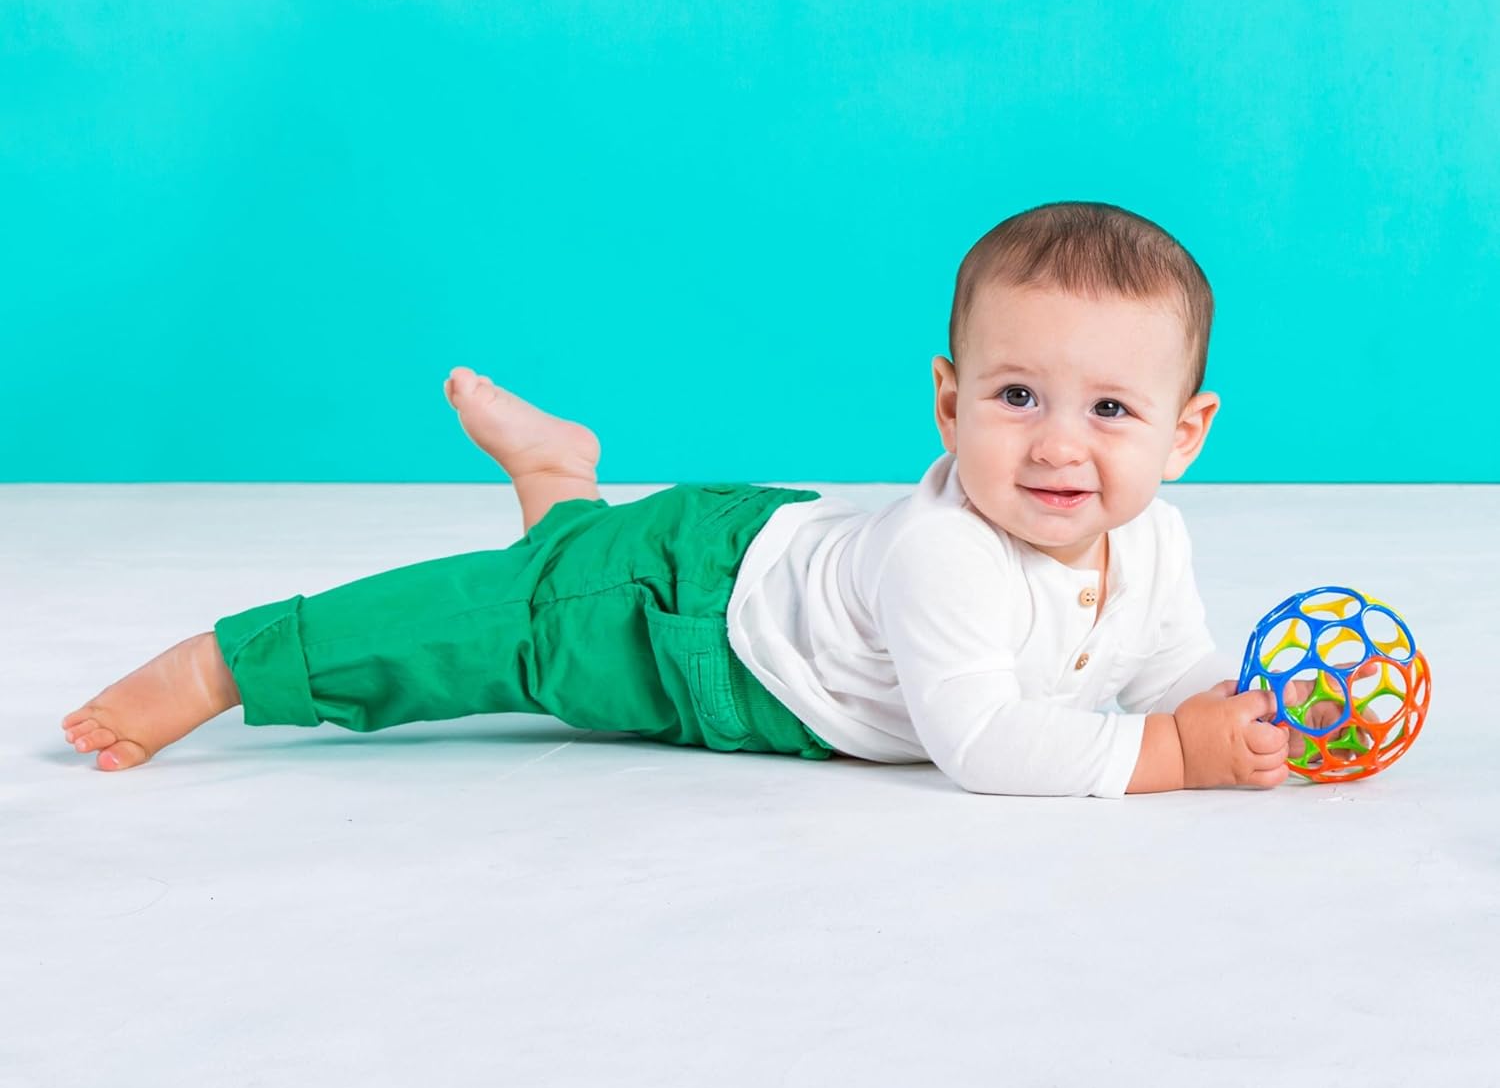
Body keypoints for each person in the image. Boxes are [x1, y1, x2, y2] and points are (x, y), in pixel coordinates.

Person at [61, 200, 1364, 793]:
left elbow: (1165, 661)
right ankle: (228, 663)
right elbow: (981, 745)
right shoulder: (949, 554)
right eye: (1016, 396)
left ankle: (560, 480)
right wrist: (1178, 756)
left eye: (1111, 412)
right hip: (686, 616)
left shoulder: (1155, 543)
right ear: (947, 402)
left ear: (1186, 434)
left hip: (758, 560)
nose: (1057, 448)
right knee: (497, 630)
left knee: (559, 583)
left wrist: (1231, 705)